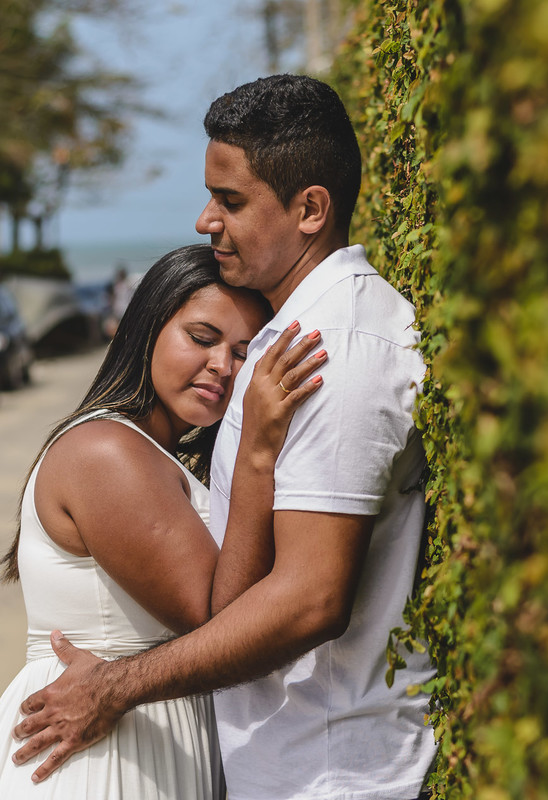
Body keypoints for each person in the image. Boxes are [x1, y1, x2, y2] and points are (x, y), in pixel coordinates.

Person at [12, 75, 435, 799]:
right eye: (202, 337)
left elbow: (309, 600)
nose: (207, 219)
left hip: (331, 775)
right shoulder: (291, 342)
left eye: (231, 200)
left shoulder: (337, 350)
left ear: (310, 209)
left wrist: (117, 686)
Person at [0, 243, 327, 797]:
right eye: (202, 338)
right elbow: (218, 620)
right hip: (102, 757)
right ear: (146, 327)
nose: (222, 366)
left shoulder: (155, 451)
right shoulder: (108, 451)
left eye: (246, 352)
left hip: (138, 736)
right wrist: (257, 448)